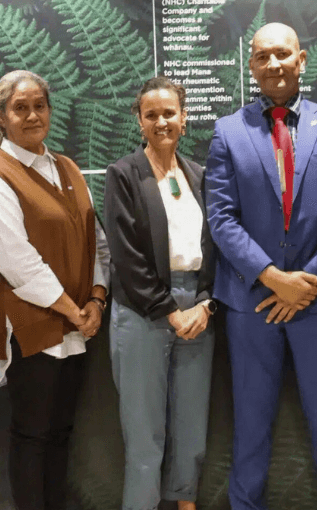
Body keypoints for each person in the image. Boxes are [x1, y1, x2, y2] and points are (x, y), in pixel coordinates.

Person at [205, 22, 317, 510]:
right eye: (262, 57)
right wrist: (273, 278)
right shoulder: (228, 132)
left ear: (301, 60)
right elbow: (222, 216)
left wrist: (307, 282)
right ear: (250, 66)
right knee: (250, 423)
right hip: (251, 302)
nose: (273, 65)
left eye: (282, 55)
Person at [0, 70, 110, 510]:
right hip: (32, 330)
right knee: (32, 436)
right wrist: (75, 310)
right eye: (20, 108)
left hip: (77, 324)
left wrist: (97, 299)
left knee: (60, 433)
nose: (32, 115)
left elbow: (98, 242)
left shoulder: (67, 167)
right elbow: (18, 263)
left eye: (40, 106)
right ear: (1, 117)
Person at [104, 76, 215, 510]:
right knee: (145, 434)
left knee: (191, 428)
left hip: (198, 313)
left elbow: (214, 245)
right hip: (144, 311)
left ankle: (185, 503)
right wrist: (169, 310)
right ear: (140, 121)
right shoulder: (123, 175)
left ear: (183, 119)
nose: (161, 121)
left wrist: (205, 303)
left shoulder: (199, 176)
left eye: (169, 113)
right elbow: (126, 254)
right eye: (151, 115)